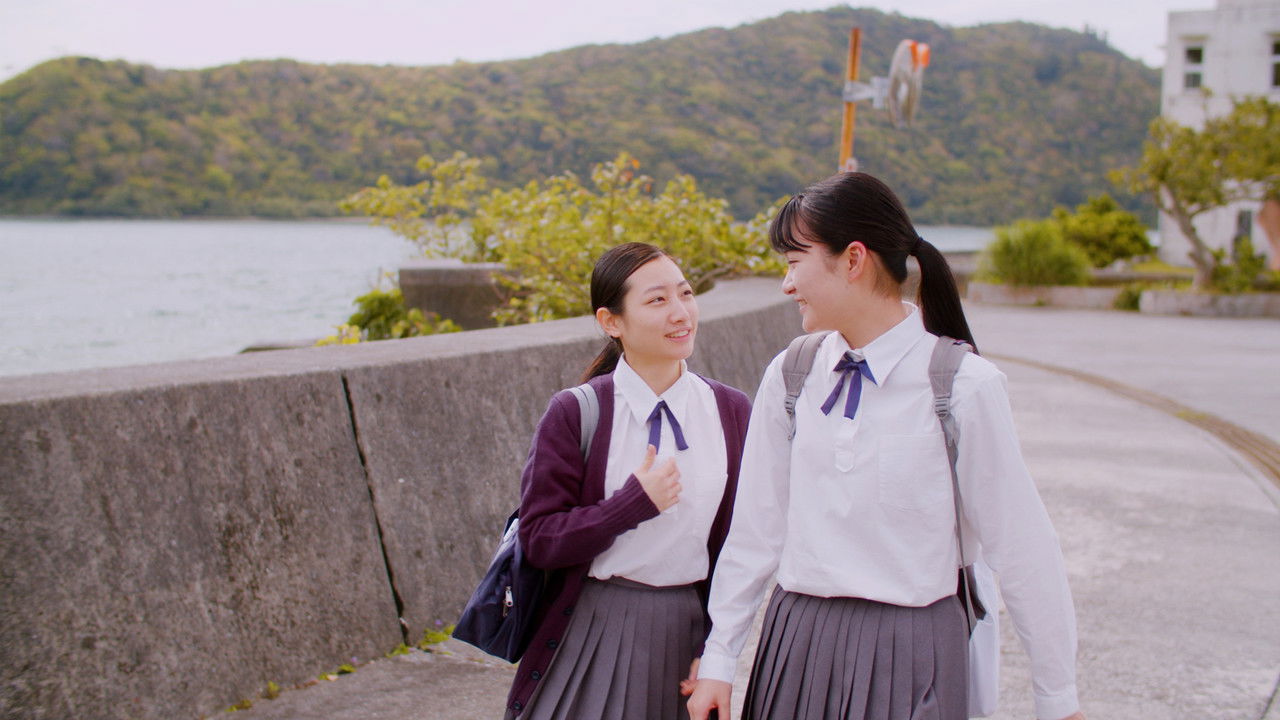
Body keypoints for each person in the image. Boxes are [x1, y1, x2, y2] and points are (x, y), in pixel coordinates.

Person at [686, 173, 1086, 720]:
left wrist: (1057, 700)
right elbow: (755, 531)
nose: (786, 284)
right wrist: (719, 660)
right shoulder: (792, 373)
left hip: (916, 649)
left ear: (853, 259)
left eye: (794, 261)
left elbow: (1022, 550)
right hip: (797, 647)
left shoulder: (964, 386)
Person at [506, 242, 752, 720]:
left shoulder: (730, 411)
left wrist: (719, 649)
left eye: (685, 294)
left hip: (685, 633)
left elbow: (738, 547)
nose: (681, 313)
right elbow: (538, 540)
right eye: (657, 300)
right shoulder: (577, 411)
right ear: (611, 321)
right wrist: (629, 505)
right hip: (591, 628)